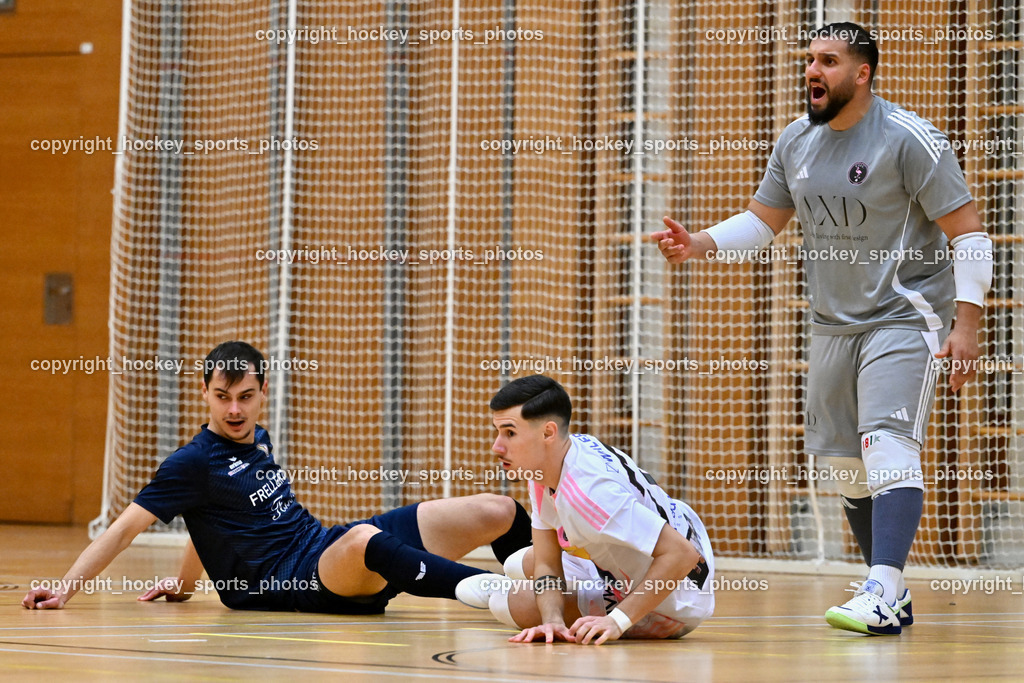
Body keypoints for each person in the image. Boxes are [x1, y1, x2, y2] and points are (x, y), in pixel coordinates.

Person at [651, 22, 993, 635]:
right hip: (832, 326)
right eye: (809, 59)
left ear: (862, 74)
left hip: (903, 316)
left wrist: (965, 326)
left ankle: (883, 587)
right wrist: (700, 242)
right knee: (845, 469)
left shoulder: (910, 138)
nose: (812, 70)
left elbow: (968, 233)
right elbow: (763, 222)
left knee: (888, 449)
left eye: (828, 61)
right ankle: (888, 590)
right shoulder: (795, 143)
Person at [23, 341, 532, 613]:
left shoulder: (258, 438)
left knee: (498, 509)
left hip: (322, 547)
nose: (234, 409)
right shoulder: (191, 461)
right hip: (291, 581)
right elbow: (122, 528)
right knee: (364, 538)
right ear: (204, 393)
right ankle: (508, 597)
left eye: (245, 396)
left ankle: (561, 585)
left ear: (262, 391)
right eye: (222, 397)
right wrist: (64, 589)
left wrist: (182, 583)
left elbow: (210, 521)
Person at [456, 375, 714, 645]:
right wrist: (552, 621)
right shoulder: (551, 460)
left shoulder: (592, 493)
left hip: (677, 596)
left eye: (510, 433)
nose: (496, 447)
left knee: (505, 603)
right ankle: (556, 592)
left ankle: (521, 594)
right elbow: (546, 562)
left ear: (548, 433)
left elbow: (683, 555)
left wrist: (618, 621)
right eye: (497, 432)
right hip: (657, 546)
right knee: (519, 562)